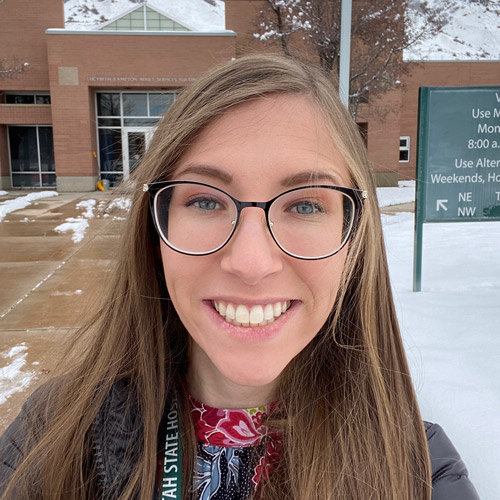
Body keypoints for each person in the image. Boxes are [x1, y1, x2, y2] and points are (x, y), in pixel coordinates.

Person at [0, 54, 479, 500]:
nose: (251, 263)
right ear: (156, 229)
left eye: (306, 204)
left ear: (353, 240)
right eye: (205, 200)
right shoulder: (51, 435)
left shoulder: (419, 471)